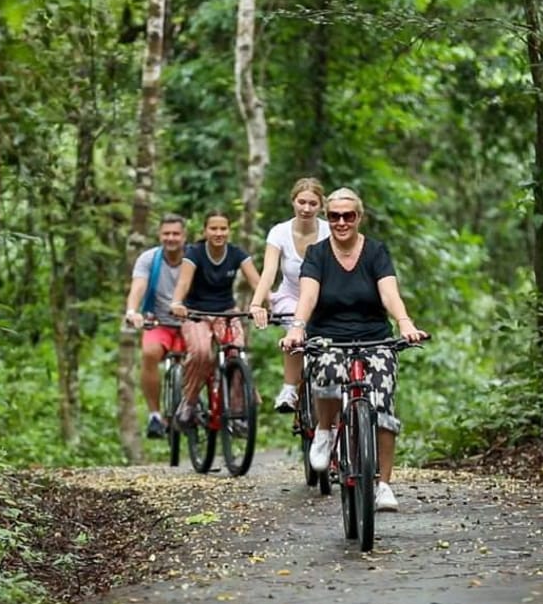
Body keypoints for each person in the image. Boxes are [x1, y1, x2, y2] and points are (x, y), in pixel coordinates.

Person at [281, 188, 427, 512]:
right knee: (328, 373)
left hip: (374, 338)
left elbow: (389, 294)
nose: (341, 222)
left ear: (359, 217)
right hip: (328, 337)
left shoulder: (375, 252)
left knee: (383, 405)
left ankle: (383, 485)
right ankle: (324, 431)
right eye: (334, 216)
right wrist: (297, 327)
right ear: (327, 218)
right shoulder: (317, 254)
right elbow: (308, 296)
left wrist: (405, 323)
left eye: (348, 216)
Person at [169, 210, 261, 425]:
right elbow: (183, 282)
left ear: (229, 231)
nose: (218, 233)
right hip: (196, 313)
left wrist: (267, 304)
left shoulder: (237, 253)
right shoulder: (194, 253)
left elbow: (257, 282)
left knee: (236, 352)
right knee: (202, 353)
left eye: (223, 228)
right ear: (205, 231)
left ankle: (238, 410)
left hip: (226, 312)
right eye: (213, 228)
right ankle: (189, 400)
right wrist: (177, 303)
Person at [249, 177, 331, 412]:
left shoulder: (329, 231)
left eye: (312, 203)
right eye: (301, 202)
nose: (306, 208)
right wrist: (256, 303)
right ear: (293, 201)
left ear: (321, 206)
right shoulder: (279, 232)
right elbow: (269, 272)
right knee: (296, 331)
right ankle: (289, 388)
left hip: (323, 298)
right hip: (291, 297)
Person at [124, 214, 188, 439]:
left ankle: (196, 407)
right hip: (159, 322)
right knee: (149, 354)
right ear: (159, 235)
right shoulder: (149, 259)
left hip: (191, 322)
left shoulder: (194, 259)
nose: (171, 238)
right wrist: (132, 311)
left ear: (184, 236)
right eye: (166, 234)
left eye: (176, 234)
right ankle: (155, 415)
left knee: (202, 358)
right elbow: (138, 287)